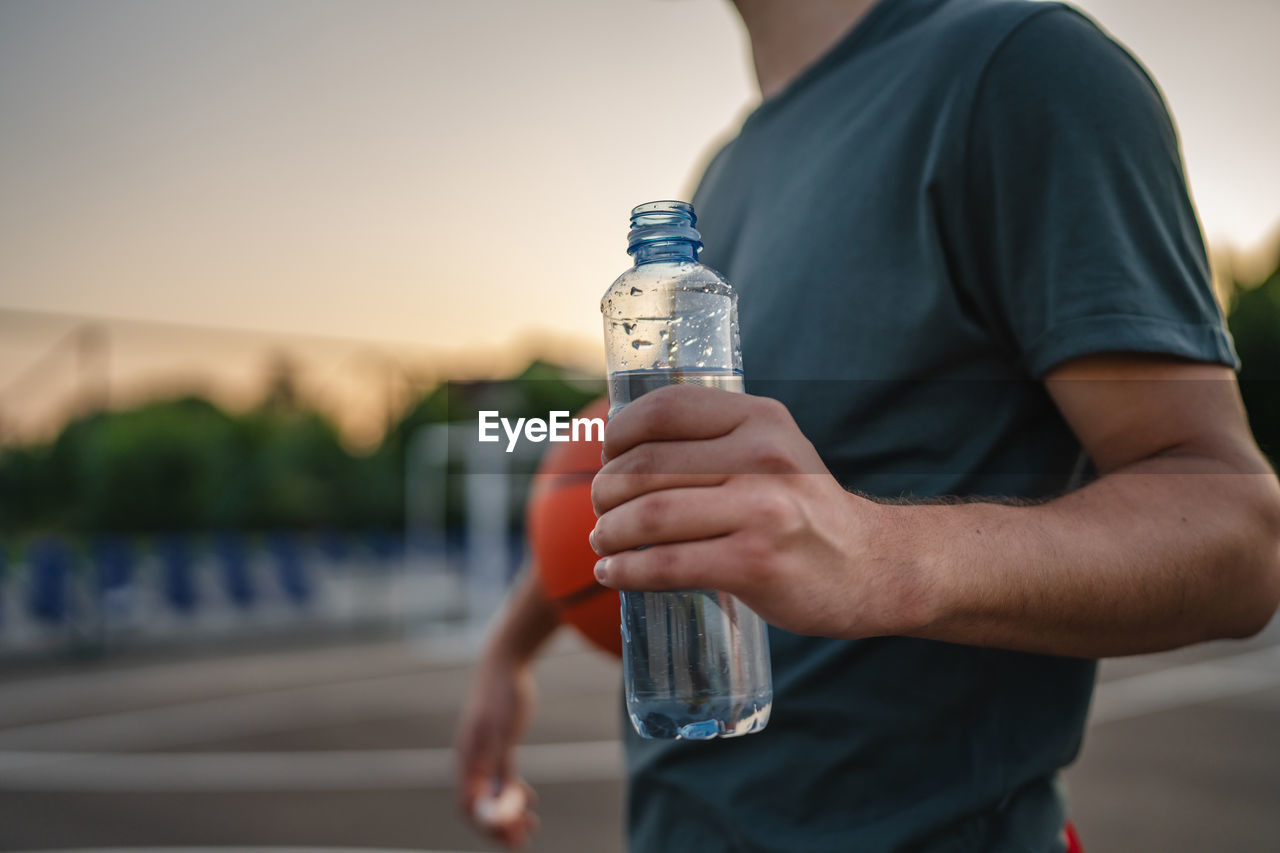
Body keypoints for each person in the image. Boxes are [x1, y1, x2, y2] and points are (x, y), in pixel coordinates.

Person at [455, 0, 1280, 850]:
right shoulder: (727, 171)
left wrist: (883, 556)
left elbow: (1239, 536)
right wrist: (510, 648)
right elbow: (660, 465)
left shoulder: (1017, 70)